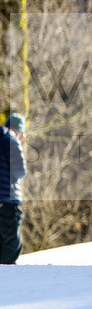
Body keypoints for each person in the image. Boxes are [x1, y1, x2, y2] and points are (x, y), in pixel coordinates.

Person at [1, 113, 28, 265]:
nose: (22, 138)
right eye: (22, 134)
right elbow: (20, 171)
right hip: (8, 198)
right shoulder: (11, 140)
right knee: (12, 246)